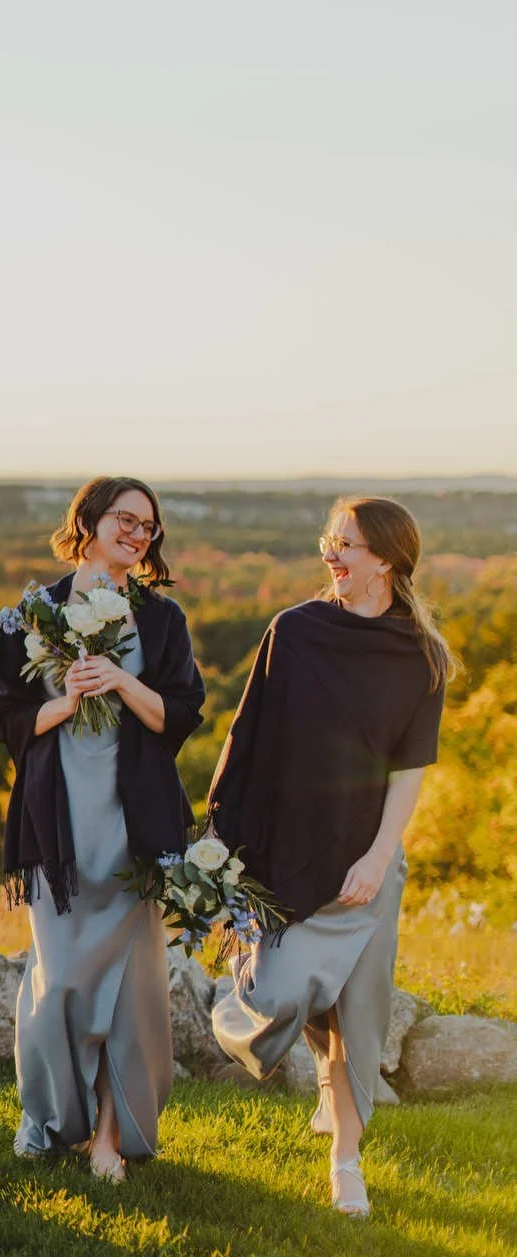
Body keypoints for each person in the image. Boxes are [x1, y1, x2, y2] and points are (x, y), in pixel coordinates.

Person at [210, 497, 451, 1218]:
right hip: (287, 849)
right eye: (329, 540)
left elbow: (411, 769)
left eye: (344, 543)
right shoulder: (296, 630)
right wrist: (220, 834)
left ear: (386, 559)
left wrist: (379, 858)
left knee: (358, 1015)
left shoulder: (420, 655)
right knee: (282, 997)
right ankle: (271, 1020)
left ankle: (346, 1161)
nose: (330, 554)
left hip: (366, 861)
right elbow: (244, 732)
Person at [0, 476, 203, 1183]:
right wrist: (66, 699)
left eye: (148, 527)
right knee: (64, 981)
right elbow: (4, 716)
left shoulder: (162, 619)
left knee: (131, 988)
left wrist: (120, 680)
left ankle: (111, 1134)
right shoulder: (34, 612)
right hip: (58, 825)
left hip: (132, 823)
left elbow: (180, 713)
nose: (137, 535)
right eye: (124, 520)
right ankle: (51, 1117)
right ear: (88, 521)